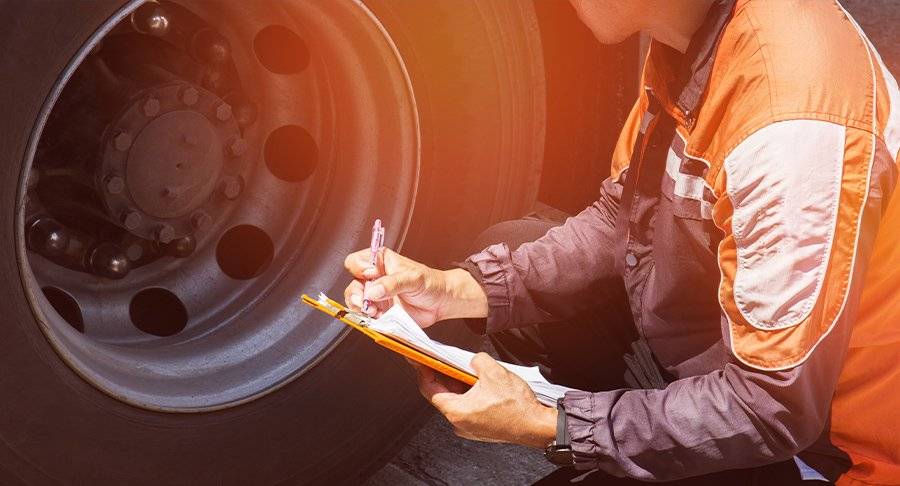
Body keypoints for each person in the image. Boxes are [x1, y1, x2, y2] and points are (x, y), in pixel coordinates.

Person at [343, 0, 900, 484]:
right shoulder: (699, 34)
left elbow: (771, 410)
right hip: (729, 362)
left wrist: (552, 427)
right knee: (511, 249)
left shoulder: (788, 128)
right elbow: (624, 217)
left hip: (826, 451)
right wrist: (452, 290)